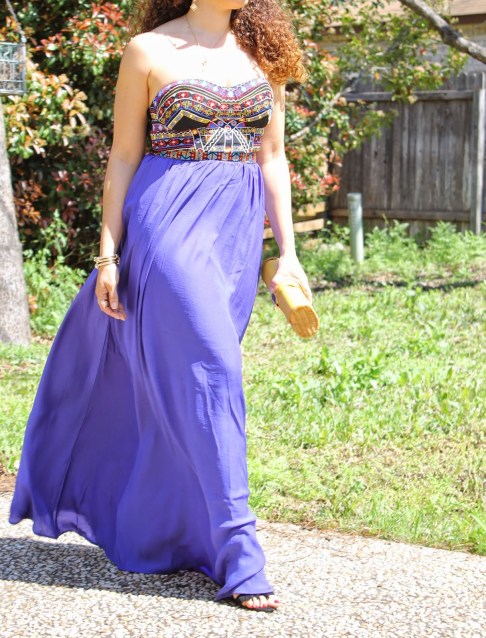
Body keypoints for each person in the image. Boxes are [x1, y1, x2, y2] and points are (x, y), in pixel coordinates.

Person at [9, 0, 311, 613]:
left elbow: (273, 157)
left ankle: (171, 531)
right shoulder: (147, 50)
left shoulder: (265, 52)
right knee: (215, 372)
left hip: (234, 234)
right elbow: (123, 156)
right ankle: (239, 550)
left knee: (186, 385)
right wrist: (108, 255)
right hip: (168, 222)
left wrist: (290, 254)